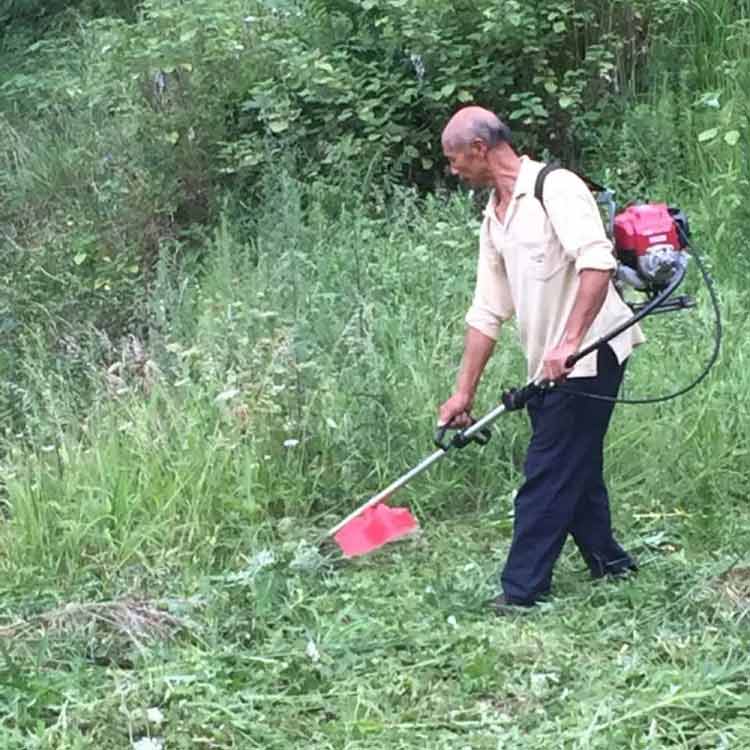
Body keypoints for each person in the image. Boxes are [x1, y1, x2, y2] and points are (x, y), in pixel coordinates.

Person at [437, 106, 645, 613]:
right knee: (576, 462)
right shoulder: (495, 214)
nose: (452, 168)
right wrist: (463, 392)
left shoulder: (557, 187)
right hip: (549, 365)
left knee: (547, 471)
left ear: (480, 148)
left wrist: (569, 342)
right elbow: (487, 310)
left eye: (454, 158)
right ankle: (610, 564)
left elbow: (597, 263)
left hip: (592, 354)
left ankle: (522, 590)